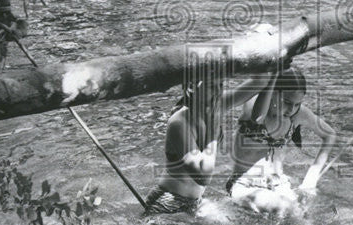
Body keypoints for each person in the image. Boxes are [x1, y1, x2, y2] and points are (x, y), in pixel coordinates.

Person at [143, 70, 281, 216]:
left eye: (220, 85)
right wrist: (213, 134)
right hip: (169, 203)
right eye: (211, 86)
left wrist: (274, 67)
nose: (217, 91)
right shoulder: (179, 122)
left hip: (195, 202)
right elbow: (203, 177)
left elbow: (260, 81)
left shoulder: (217, 104)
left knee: (236, 224)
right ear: (191, 87)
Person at [226, 66, 337, 216]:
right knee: (285, 208)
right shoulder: (253, 104)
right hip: (245, 184)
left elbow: (329, 134)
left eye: (297, 104)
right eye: (287, 102)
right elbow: (257, 117)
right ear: (272, 92)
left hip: (278, 183)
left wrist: (311, 179)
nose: (292, 109)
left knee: (307, 213)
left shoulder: (298, 114)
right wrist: (272, 75)